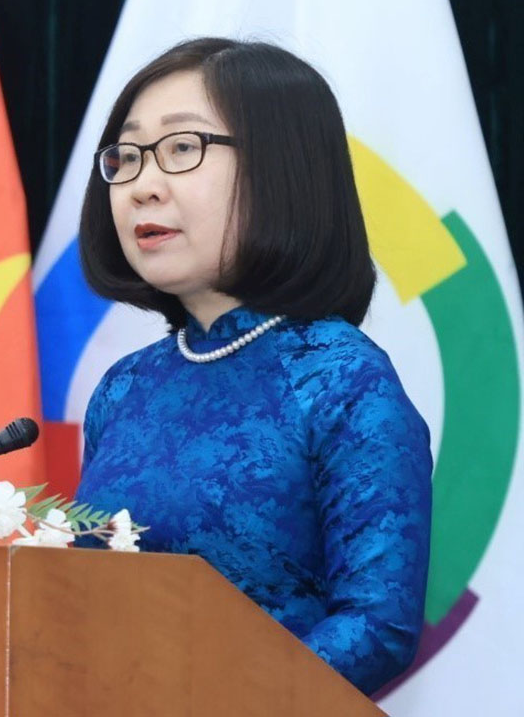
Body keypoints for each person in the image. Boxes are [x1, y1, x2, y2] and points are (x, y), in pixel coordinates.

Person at [73, 37, 432, 696]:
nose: (142, 186)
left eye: (182, 147)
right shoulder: (123, 387)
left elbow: (377, 626)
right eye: (127, 156)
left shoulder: (340, 376)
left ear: (281, 170)